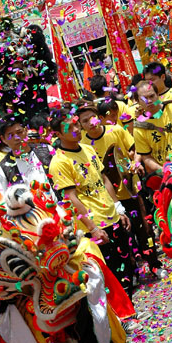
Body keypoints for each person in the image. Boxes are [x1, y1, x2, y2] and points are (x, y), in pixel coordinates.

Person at [49, 106, 135, 300]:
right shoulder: (59, 162)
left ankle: (128, 309)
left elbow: (104, 179)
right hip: (94, 225)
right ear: (58, 134)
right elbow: (71, 197)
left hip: (112, 216)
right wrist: (93, 228)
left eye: (76, 124)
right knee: (108, 273)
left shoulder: (88, 149)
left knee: (125, 266)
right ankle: (120, 316)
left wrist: (118, 208)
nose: (77, 129)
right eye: (69, 128)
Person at [77, 103, 166, 280]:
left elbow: (133, 149)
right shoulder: (83, 144)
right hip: (108, 199)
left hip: (130, 189)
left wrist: (133, 162)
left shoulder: (115, 130)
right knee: (125, 238)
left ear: (100, 117)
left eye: (92, 118)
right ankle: (133, 271)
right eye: (84, 121)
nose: (90, 123)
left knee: (144, 229)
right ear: (80, 125)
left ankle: (154, 265)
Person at [0, 118, 56, 200]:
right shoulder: (2, 170)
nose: (16, 138)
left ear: (26, 131)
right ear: (3, 139)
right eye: (10, 135)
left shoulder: (47, 151)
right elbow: (3, 203)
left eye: (19, 132)